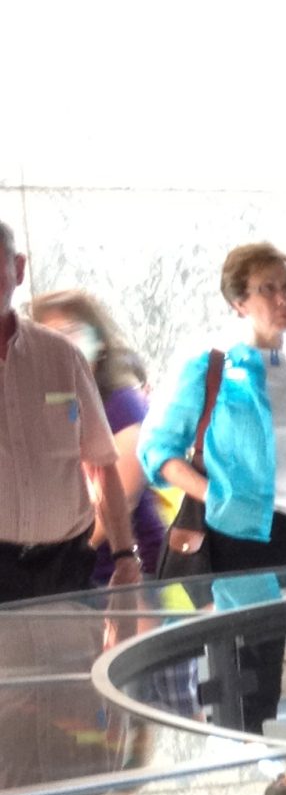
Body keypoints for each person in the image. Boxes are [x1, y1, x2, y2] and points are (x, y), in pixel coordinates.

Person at [139, 241, 286, 732]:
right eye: (268, 288)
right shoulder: (210, 367)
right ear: (239, 301)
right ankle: (253, 762)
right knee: (251, 677)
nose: (284, 298)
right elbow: (158, 452)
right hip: (247, 537)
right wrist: (216, 495)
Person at [0, 222, 141, 600]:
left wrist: (124, 554)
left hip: (66, 564)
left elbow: (101, 463)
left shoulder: (61, 355)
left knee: (75, 644)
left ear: (18, 269)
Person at [27, 289, 166, 579]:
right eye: (47, 335)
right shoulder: (48, 404)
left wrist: (55, 567)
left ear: (99, 341)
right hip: (67, 571)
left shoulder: (122, 405)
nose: (60, 344)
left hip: (121, 572)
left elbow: (122, 497)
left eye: (70, 332)